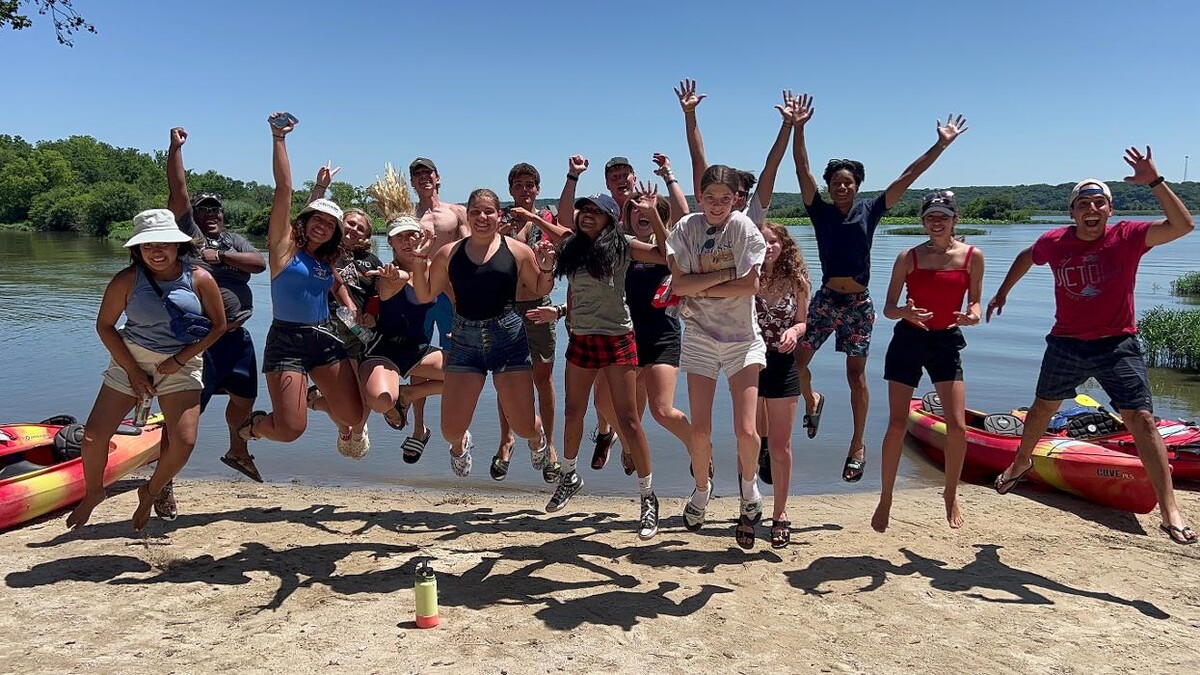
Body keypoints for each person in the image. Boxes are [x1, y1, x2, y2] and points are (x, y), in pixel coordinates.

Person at [988, 147, 1196, 545]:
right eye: (1083, 203)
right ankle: (1021, 460)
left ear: (1110, 209)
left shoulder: (1129, 236)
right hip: (1066, 342)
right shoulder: (1055, 241)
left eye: (1099, 202)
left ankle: (1170, 509)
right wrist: (1002, 293)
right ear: (1072, 213)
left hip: (1118, 343)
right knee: (1042, 408)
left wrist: (1154, 180)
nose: (1092, 208)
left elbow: (1183, 226)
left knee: (1143, 420)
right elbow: (1026, 256)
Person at [789, 93, 967, 483]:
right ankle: (812, 400)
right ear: (829, 186)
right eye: (836, 182)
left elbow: (908, 176)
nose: (841, 187)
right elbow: (802, 169)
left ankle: (857, 446)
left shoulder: (870, 210)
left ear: (856, 186)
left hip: (857, 305)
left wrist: (939, 144)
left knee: (857, 376)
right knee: (795, 364)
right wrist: (798, 129)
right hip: (825, 300)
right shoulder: (818, 212)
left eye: (848, 182)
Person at [65, 209, 227, 530]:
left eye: (164, 243)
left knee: (184, 441)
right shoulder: (126, 280)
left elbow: (219, 327)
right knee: (94, 437)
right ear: (137, 249)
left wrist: (180, 360)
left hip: (182, 360)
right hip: (132, 357)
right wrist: (135, 373)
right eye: (147, 245)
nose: (156, 251)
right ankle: (95, 491)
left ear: (177, 245)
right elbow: (105, 326)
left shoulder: (200, 279)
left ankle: (151, 491)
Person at [529, 184, 671, 538]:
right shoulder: (572, 248)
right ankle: (569, 475)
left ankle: (648, 497)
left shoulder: (622, 245)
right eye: (583, 210)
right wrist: (539, 243)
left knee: (628, 419)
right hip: (582, 339)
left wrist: (653, 213)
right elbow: (557, 234)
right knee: (573, 411)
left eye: (595, 210)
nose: (587, 214)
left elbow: (668, 256)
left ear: (609, 218)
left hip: (618, 339)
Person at [237, 113, 366, 457]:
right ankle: (254, 426)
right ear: (305, 222)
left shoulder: (324, 261)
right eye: (317, 219)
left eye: (329, 223)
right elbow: (284, 190)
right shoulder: (283, 251)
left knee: (354, 415)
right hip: (287, 342)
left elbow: (332, 281)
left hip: (324, 337)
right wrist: (279, 139)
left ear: (335, 233)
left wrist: (349, 304)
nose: (322, 226)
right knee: (292, 430)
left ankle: (313, 400)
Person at [409, 188, 557, 478]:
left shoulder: (516, 250)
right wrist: (418, 260)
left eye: (489, 211)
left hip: (508, 338)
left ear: (498, 214)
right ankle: (461, 444)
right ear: (468, 214)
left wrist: (548, 268)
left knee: (524, 426)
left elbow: (540, 288)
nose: (482, 217)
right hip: (465, 340)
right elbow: (425, 293)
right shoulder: (449, 253)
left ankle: (538, 438)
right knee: (450, 428)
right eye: (475, 211)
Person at [667, 164, 767, 549]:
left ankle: (748, 485)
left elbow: (752, 285)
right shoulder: (687, 228)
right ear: (699, 196)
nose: (718, 205)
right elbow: (678, 283)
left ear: (736, 199)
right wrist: (724, 278)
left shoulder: (743, 228)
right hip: (700, 335)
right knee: (702, 429)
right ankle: (701, 489)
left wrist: (701, 287)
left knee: (745, 429)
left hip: (742, 337)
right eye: (710, 198)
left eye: (726, 199)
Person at [873, 191, 983, 533]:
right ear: (923, 221)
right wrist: (905, 312)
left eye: (943, 216)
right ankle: (886, 496)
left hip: (946, 340)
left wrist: (973, 316)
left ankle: (950, 493)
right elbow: (889, 307)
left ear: (954, 219)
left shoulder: (971, 257)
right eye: (930, 217)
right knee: (895, 423)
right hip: (909, 338)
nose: (937, 222)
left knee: (958, 426)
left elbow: (977, 303)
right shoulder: (909, 256)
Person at [166, 127, 268, 492]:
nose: (210, 213)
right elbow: (178, 191)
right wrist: (175, 150)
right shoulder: (187, 236)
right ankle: (164, 478)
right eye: (203, 207)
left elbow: (259, 264)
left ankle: (237, 451)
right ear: (194, 213)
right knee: (188, 414)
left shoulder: (232, 241)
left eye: (215, 208)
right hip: (202, 341)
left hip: (237, 336)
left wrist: (221, 256)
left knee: (245, 398)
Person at [617, 157, 692, 477]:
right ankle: (628, 447)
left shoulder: (672, 243)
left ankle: (698, 444)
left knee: (662, 411)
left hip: (663, 334)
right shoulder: (621, 245)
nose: (641, 213)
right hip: (628, 337)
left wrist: (655, 216)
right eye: (635, 209)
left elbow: (670, 258)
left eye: (647, 211)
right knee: (626, 412)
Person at [492, 163, 564, 482]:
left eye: (530, 185)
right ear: (511, 190)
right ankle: (506, 440)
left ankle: (549, 446)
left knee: (543, 377)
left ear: (537, 188)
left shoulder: (547, 218)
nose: (524, 190)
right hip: (506, 306)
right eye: (518, 185)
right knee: (506, 379)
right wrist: (512, 226)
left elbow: (563, 246)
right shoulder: (500, 220)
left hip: (539, 305)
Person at [357, 216, 446, 453]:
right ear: (390, 242)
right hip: (383, 352)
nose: (407, 241)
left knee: (467, 377)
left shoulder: (434, 270)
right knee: (382, 401)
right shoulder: (388, 273)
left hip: (417, 350)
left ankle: (408, 394)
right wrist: (396, 277)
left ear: (422, 236)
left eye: (411, 235)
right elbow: (393, 286)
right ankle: (381, 389)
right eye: (400, 237)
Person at [753, 222, 811, 548]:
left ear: (782, 244)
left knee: (781, 445)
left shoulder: (797, 281)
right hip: (750, 362)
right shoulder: (747, 276)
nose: (768, 246)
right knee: (751, 437)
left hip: (782, 364)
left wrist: (795, 331)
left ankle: (780, 514)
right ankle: (750, 505)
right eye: (761, 242)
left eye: (773, 241)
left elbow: (803, 321)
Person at [674, 79, 793, 226]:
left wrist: (788, 124)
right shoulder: (707, 209)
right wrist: (689, 113)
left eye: (740, 194)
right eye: (723, 194)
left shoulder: (751, 215)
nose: (732, 198)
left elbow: (771, 167)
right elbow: (698, 159)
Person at [411, 157, 469, 347]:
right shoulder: (408, 216)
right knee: (416, 351)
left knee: (456, 349)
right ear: (412, 182)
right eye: (417, 174)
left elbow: (469, 250)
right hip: (419, 289)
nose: (423, 177)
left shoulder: (457, 211)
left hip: (451, 290)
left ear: (438, 178)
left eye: (428, 172)